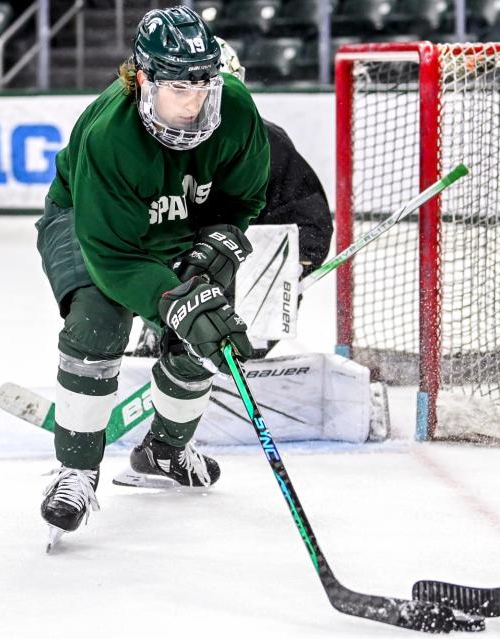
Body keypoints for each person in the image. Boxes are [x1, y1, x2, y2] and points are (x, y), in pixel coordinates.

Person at [34, 6, 269, 542]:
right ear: (144, 79)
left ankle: (163, 451)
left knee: (205, 334)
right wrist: (170, 300)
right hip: (91, 225)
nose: (194, 105)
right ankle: (77, 471)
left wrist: (220, 239)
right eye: (178, 90)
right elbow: (114, 256)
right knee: (98, 321)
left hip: (178, 223)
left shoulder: (235, 109)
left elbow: (243, 198)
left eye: (204, 88)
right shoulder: (108, 135)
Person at [130, 37, 333, 358]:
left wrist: (289, 266)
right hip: (184, 275)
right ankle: (160, 354)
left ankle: (228, 359)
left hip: (252, 279)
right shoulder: (155, 144)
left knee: (225, 338)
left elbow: (310, 223)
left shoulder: (268, 142)